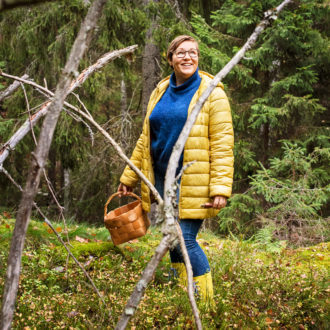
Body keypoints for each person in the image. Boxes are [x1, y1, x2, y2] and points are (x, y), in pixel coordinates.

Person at [118, 35, 234, 305]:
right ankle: (179, 289)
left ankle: (205, 302)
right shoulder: (160, 90)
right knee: (171, 235)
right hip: (160, 178)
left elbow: (222, 144)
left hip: (194, 180)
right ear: (170, 59)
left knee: (185, 238)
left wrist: (220, 188)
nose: (188, 57)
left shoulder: (212, 92)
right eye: (181, 53)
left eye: (193, 53)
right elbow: (145, 139)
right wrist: (129, 176)